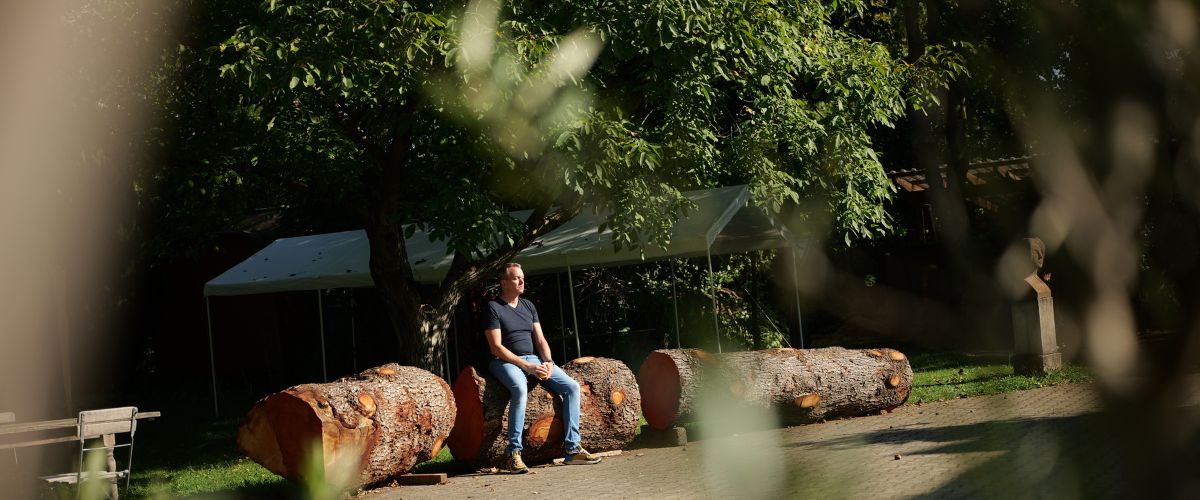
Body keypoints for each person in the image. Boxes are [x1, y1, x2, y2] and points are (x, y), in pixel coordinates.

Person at [485, 262, 601, 473]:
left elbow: (540, 340)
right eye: (516, 278)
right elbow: (496, 347)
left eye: (522, 277)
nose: (522, 281)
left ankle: (573, 450)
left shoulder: (528, 306)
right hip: (505, 362)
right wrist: (528, 366)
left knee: (572, 387)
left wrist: (547, 362)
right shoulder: (494, 307)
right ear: (504, 283)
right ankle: (513, 453)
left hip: (533, 359)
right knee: (520, 390)